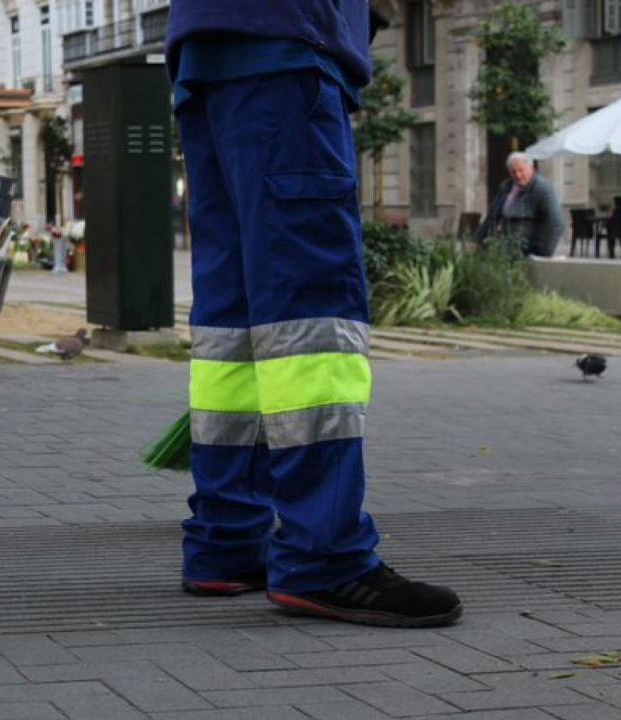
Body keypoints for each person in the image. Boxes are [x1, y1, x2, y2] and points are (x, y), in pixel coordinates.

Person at [168, 2, 462, 627]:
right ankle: (324, 555)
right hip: (288, 43)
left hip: (208, 54)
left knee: (236, 323)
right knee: (311, 320)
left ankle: (227, 538)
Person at [475, 152, 565, 256]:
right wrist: (477, 239)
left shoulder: (542, 188)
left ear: (531, 168)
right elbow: (491, 217)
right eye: (513, 172)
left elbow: (556, 222)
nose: (518, 175)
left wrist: (545, 252)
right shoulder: (506, 187)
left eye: (521, 170)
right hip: (505, 247)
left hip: (529, 250)